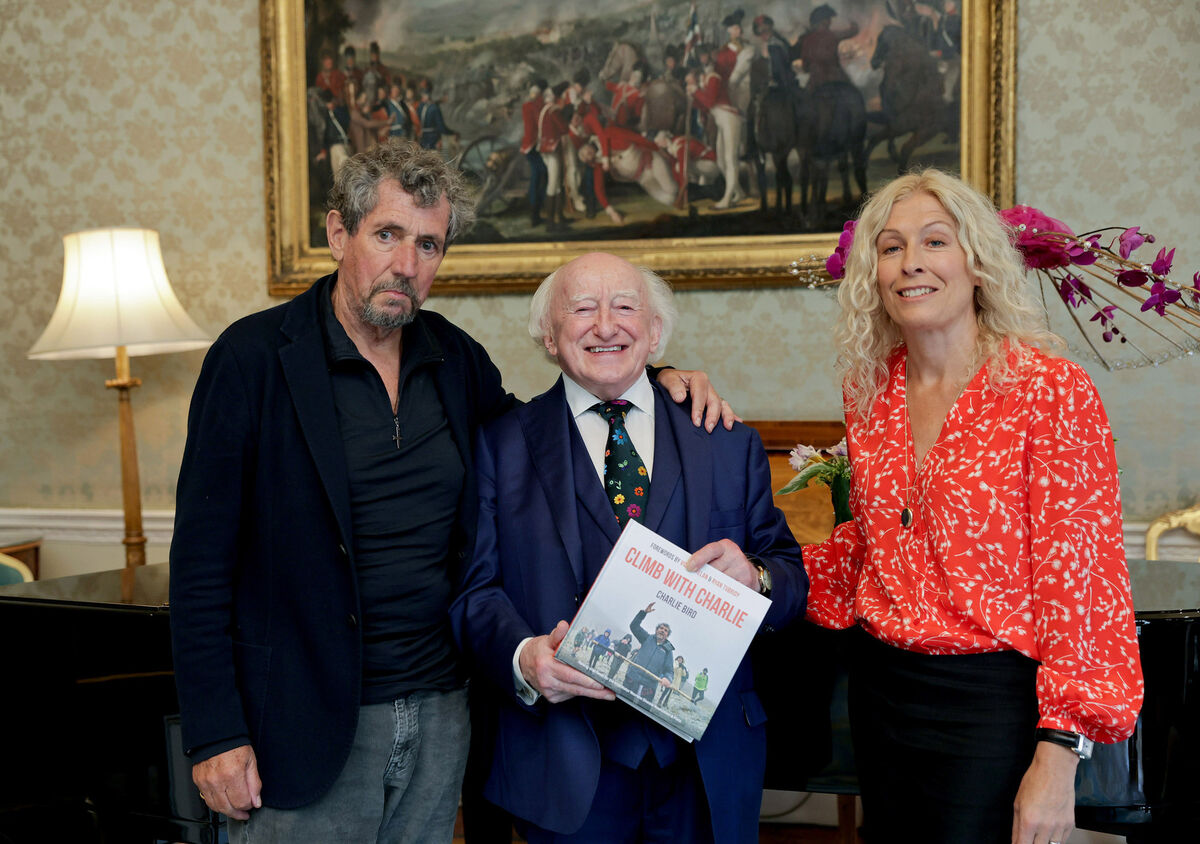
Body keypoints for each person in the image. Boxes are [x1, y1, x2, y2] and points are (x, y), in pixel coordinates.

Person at [169, 141, 733, 844]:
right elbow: (199, 566)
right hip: (301, 722)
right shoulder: (251, 359)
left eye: (429, 244)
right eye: (388, 235)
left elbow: (545, 443)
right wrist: (214, 734)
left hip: (441, 713)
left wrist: (653, 379)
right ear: (339, 234)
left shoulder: (453, 357)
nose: (407, 264)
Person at [801, 169, 1144, 844]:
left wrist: (1058, 753)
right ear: (873, 273)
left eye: (935, 241)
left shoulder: (1049, 390)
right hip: (882, 692)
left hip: (992, 705)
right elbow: (872, 544)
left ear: (978, 262)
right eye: (891, 247)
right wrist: (760, 573)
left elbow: (1081, 581)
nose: (911, 262)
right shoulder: (869, 391)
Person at [450, 251, 808, 843]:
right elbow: (474, 593)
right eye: (582, 309)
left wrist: (756, 577)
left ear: (655, 331)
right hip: (564, 764)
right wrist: (523, 657)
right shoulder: (499, 446)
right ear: (549, 336)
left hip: (705, 764)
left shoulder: (726, 440)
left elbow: (790, 576)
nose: (606, 325)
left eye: (624, 307)